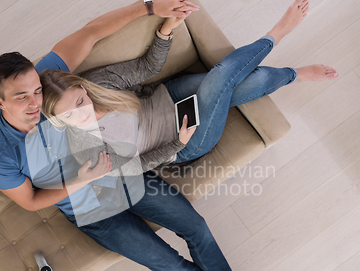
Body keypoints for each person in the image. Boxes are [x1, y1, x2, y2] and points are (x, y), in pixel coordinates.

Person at [0, 0, 267, 271]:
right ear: (0, 102)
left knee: (195, 226)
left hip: (126, 171)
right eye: (21, 98)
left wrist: (149, 7)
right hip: (88, 207)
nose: (35, 103)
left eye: (35, 90)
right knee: (165, 261)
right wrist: (83, 180)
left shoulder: (48, 84)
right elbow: (32, 201)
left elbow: (89, 33)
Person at [40, 0, 338, 177]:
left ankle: (294, 75)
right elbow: (134, 167)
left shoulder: (98, 84)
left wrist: (166, 28)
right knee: (222, 76)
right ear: (56, 121)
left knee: (244, 80)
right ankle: (278, 33)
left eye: (80, 101)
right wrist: (178, 144)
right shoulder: (83, 151)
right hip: (185, 139)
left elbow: (146, 69)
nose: (82, 114)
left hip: (171, 96)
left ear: (81, 86)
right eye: (69, 116)